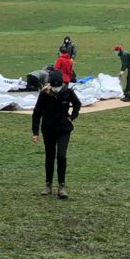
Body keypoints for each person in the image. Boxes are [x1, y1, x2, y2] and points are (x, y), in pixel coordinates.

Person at [31, 70, 81, 199]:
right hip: (48, 129)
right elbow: (37, 113)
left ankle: (61, 186)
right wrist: (35, 132)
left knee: (61, 156)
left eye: (58, 86)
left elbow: (77, 104)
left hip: (64, 129)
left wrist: (72, 117)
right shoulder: (44, 94)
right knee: (50, 156)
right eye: (53, 86)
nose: (56, 88)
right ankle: (48, 184)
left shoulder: (68, 92)